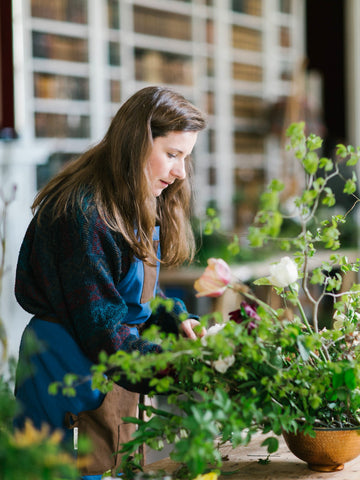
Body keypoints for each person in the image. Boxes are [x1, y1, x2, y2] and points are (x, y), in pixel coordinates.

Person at [13, 85, 207, 479]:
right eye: (172, 155)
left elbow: (133, 293)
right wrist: (187, 369)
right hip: (66, 378)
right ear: (136, 144)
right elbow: (105, 330)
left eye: (185, 158)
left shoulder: (132, 199)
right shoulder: (84, 215)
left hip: (107, 375)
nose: (180, 172)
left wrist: (175, 318)